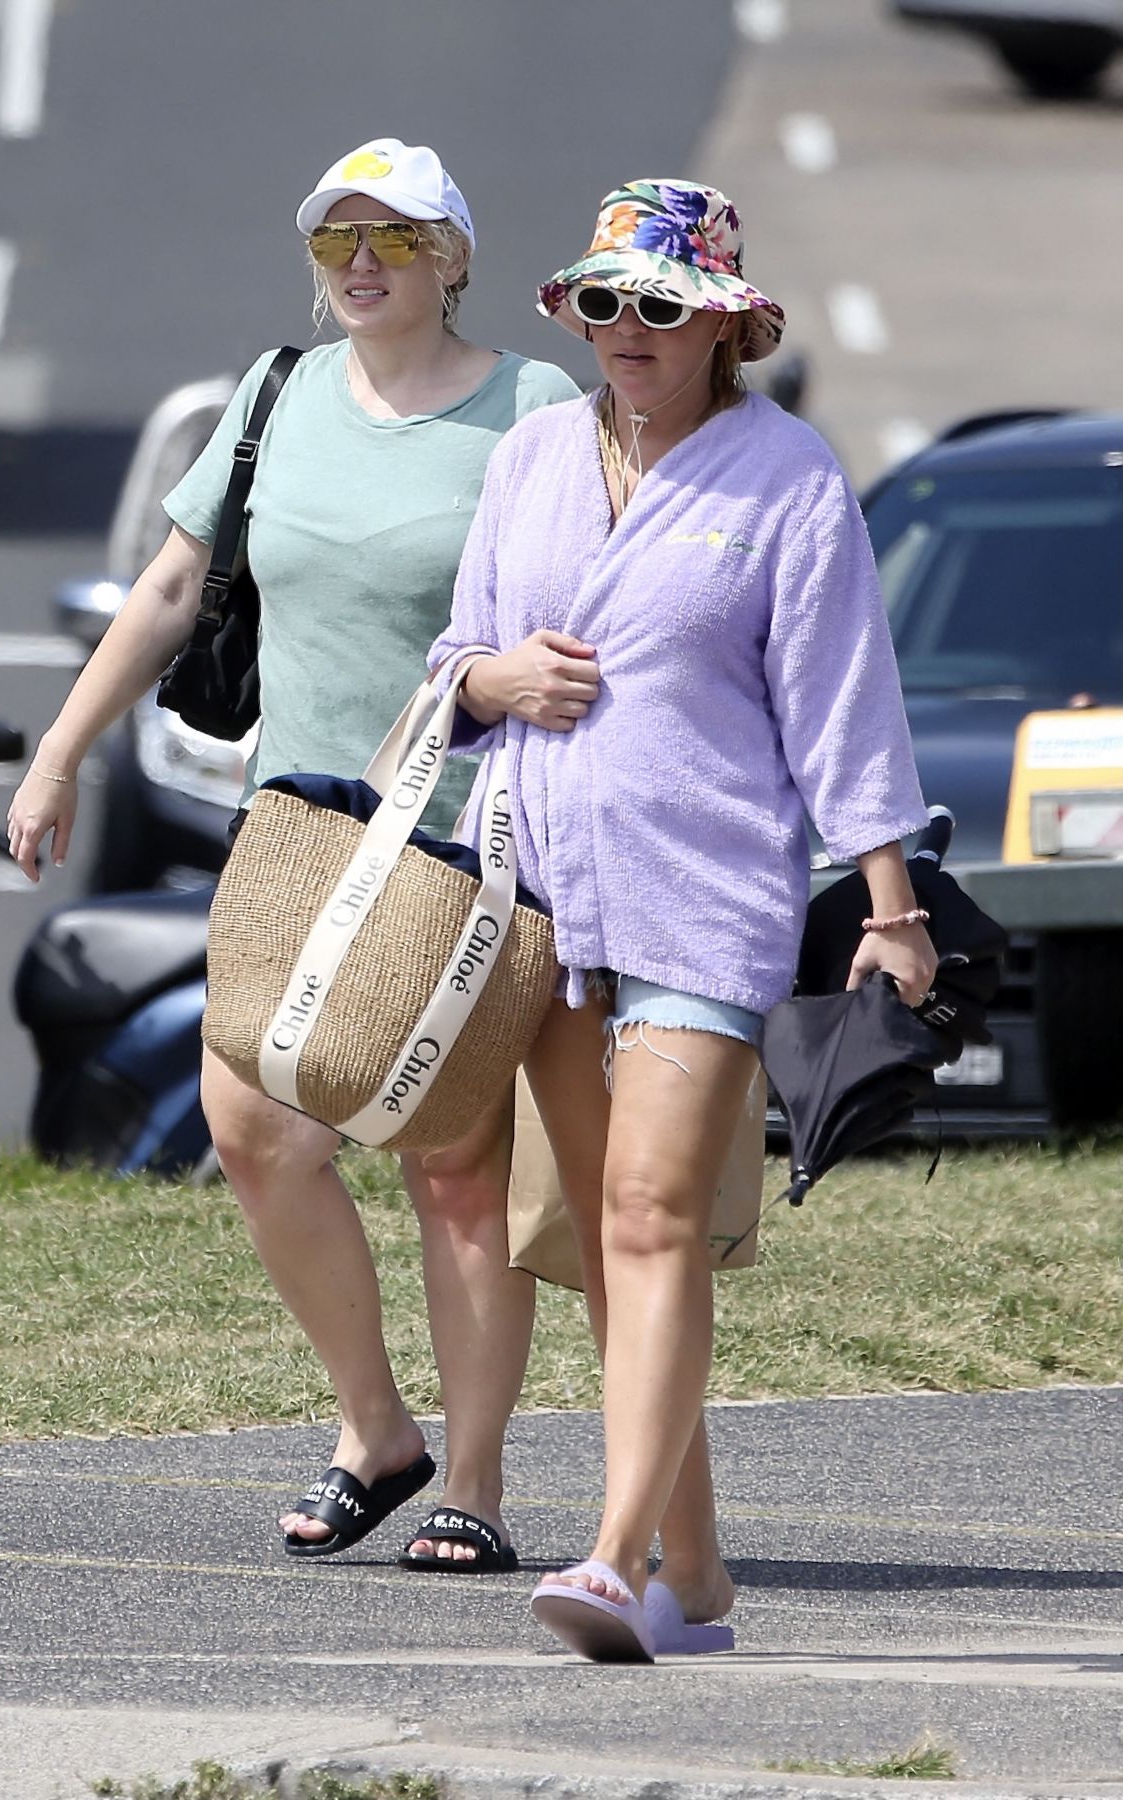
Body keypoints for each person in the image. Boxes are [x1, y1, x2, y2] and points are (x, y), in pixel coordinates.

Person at [6, 137, 578, 1572]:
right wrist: (59, 750)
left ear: (451, 253)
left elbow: (587, 604)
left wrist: (500, 681)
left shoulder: (534, 406)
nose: (364, 264)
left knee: (451, 1168)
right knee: (256, 1128)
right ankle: (377, 1430)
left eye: (392, 237)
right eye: (338, 244)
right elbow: (175, 580)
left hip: (463, 836)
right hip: (296, 825)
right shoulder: (277, 394)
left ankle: (481, 1485)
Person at [430, 178, 938, 1658]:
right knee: (606, 1241)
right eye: (603, 303)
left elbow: (845, 705)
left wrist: (889, 906)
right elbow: (460, 651)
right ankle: (698, 1578)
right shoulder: (528, 457)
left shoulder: (788, 479)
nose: (626, 331)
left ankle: (610, 1557)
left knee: (655, 1219)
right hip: (535, 893)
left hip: (703, 898)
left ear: (724, 324)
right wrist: (494, 682)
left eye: (659, 305)